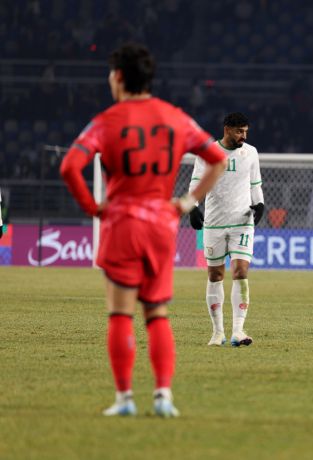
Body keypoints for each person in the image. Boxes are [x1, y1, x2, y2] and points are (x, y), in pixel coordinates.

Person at [59, 43, 227, 418]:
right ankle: (163, 396)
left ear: (118, 77)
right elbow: (217, 159)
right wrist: (187, 202)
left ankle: (124, 399)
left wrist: (93, 208)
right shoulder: (175, 117)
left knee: (121, 314)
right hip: (161, 225)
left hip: (122, 224)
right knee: (157, 314)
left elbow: (69, 167)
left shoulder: (106, 120)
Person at [188, 113, 264, 348]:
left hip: (242, 221)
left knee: (240, 271)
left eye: (246, 131)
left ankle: (238, 331)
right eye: (240, 131)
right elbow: (196, 182)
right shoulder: (208, 152)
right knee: (215, 275)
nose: (244, 136)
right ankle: (217, 332)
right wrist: (193, 207)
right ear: (227, 129)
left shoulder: (251, 152)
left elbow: (255, 183)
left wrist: (260, 203)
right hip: (214, 223)